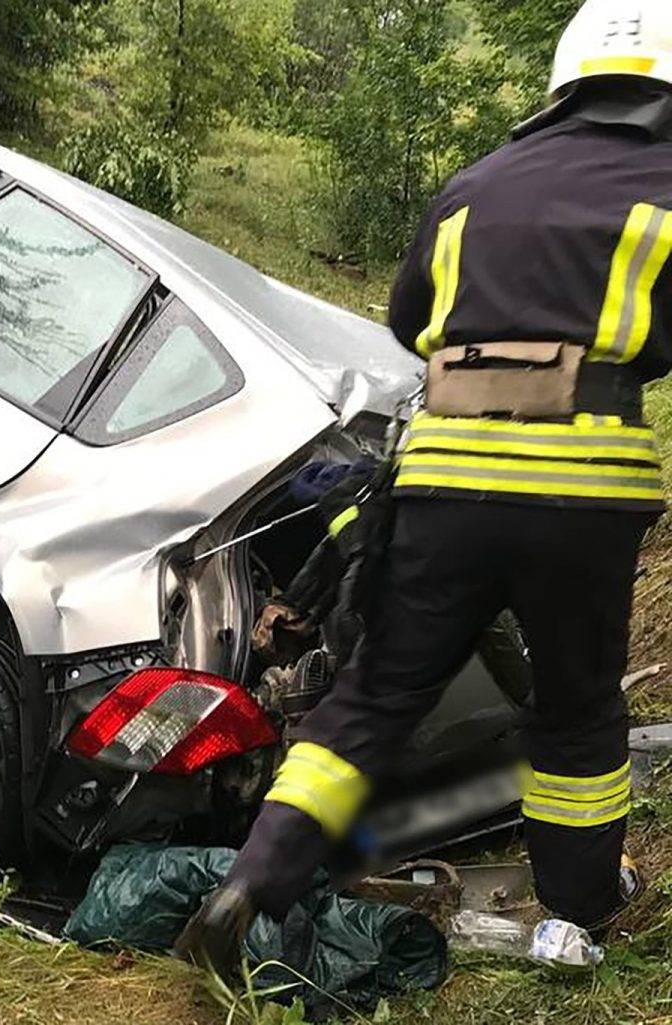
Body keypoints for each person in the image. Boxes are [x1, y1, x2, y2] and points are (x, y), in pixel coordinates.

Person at [177, 0, 672, 972]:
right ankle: (574, 912)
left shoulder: (475, 184)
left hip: (445, 473)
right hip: (582, 488)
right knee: (575, 708)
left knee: (373, 694)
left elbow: (411, 321)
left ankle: (255, 876)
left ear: (563, 83)